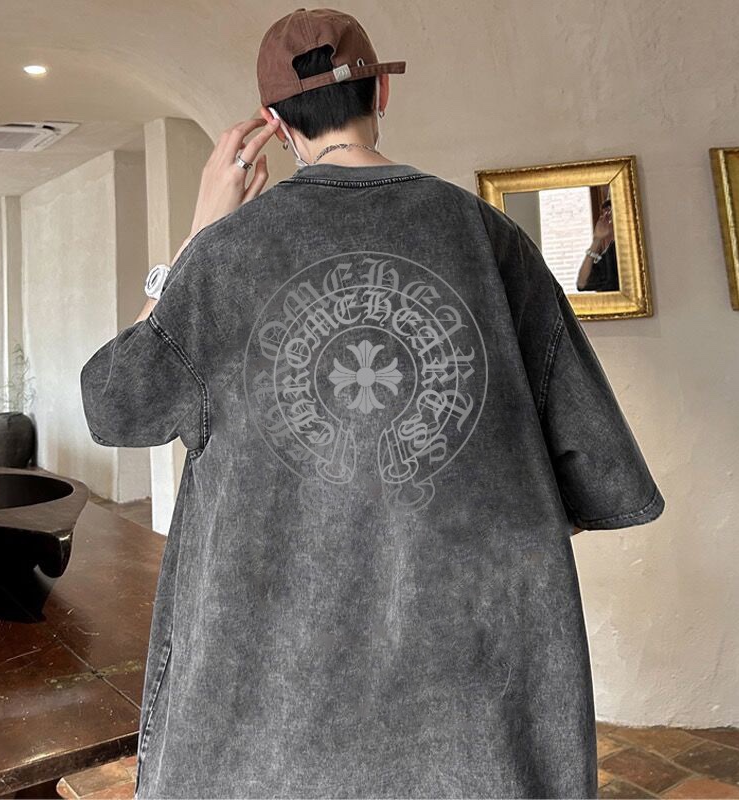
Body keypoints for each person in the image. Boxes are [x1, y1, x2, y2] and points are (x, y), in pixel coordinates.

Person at [80, 7, 665, 799]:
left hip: (269, 720)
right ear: (380, 95)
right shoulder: (490, 239)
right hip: (471, 717)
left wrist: (195, 236)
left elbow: (114, 403)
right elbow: (595, 472)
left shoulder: (222, 256)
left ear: (275, 123)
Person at [577, 196, 620, 291]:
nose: (607, 219)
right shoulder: (613, 251)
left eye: (610, 213)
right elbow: (582, 283)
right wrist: (597, 239)